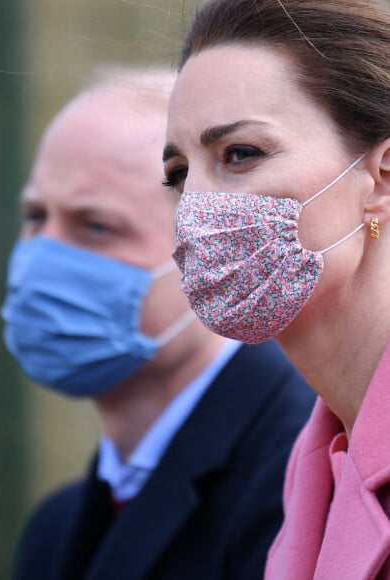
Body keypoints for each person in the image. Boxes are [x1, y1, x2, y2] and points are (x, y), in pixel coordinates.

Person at [2, 66, 314, 580]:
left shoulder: (300, 482)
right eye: (36, 217)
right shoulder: (54, 530)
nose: (44, 256)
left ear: (207, 242)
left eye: (97, 226)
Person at [163, 0, 390, 578]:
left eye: (240, 155)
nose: (194, 209)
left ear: (381, 178)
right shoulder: (310, 466)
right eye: (179, 174)